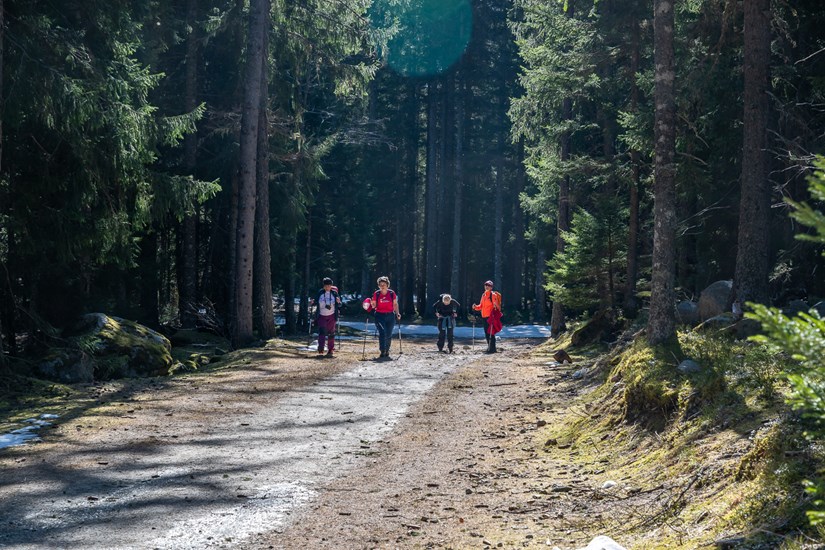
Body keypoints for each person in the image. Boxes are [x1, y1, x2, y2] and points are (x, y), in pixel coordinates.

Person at [370, 276, 401, 358]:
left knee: (389, 333)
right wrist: (371, 304)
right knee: (382, 332)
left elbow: (395, 304)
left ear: (387, 285)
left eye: (384, 284)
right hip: (379, 316)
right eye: (380, 285)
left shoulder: (391, 293)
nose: (382, 286)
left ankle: (387, 350)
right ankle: (382, 350)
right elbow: (374, 305)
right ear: (378, 286)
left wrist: (397, 313)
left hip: (390, 315)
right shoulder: (377, 294)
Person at [472, 280, 502, 353]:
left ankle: (492, 349)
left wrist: (495, 312)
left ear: (491, 287)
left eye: (489, 285)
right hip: (484, 316)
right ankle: (489, 347)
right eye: (486, 285)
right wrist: (475, 307)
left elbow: (497, 306)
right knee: (486, 333)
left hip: (490, 317)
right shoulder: (483, 295)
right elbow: (481, 306)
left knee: (491, 332)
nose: (487, 286)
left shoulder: (493, 295)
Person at [314, 277, 341, 357]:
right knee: (322, 332)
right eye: (326, 286)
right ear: (323, 286)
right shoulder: (320, 293)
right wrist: (312, 302)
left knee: (331, 333)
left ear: (331, 286)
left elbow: (340, 304)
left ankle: (330, 350)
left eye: (329, 285)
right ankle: (321, 348)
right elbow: (315, 301)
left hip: (332, 315)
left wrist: (339, 302)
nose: (327, 287)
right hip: (321, 315)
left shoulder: (334, 293)